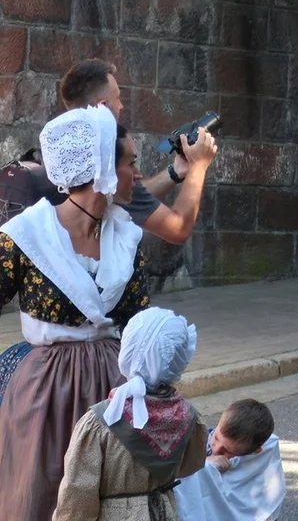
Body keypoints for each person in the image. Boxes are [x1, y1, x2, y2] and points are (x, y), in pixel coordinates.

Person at [0, 106, 150, 521]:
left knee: (112, 499)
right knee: (46, 489)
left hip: (114, 389)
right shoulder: (27, 237)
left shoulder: (127, 239)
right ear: (103, 167)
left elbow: (139, 321)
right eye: (131, 163)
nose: (137, 175)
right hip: (47, 391)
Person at [28, 59, 218, 245]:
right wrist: (198, 166)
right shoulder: (108, 162)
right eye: (117, 98)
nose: (121, 106)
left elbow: (125, 196)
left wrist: (175, 172)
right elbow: (179, 229)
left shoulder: (61, 152)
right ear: (102, 106)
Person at [53, 307, 207, 520]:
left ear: (128, 351)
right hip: (164, 512)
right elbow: (191, 465)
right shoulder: (188, 416)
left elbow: (78, 495)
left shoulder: (101, 422)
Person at [173, 399, 286, 521]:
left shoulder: (264, 458)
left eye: (227, 451)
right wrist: (206, 464)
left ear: (255, 451)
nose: (216, 449)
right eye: (216, 438)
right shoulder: (198, 442)